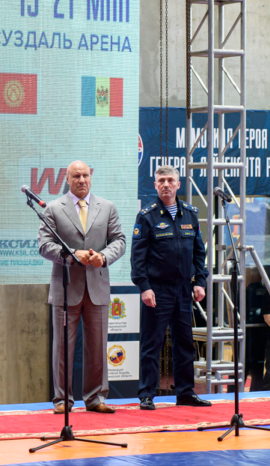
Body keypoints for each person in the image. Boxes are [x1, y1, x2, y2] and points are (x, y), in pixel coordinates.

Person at [38, 161, 126, 414]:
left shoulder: (107, 207)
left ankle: (95, 398)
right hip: (66, 288)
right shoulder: (53, 209)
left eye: (85, 175)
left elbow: (119, 240)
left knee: (98, 346)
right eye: (76, 176)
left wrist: (105, 256)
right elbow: (44, 245)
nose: (81, 180)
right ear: (67, 179)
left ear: (91, 176)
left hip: (97, 287)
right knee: (62, 347)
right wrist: (71, 255)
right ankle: (62, 401)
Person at [131, 165, 211, 409]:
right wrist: (144, 287)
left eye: (170, 180)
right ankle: (146, 394)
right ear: (155, 185)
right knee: (151, 343)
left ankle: (185, 392)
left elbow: (199, 251)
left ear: (178, 184)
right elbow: (137, 257)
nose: (166, 184)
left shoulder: (191, 214)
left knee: (185, 342)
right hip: (157, 289)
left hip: (183, 290)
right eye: (161, 181)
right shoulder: (147, 215)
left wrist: (200, 281)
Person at [245, 267, 270, 391]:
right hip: (255, 332)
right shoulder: (265, 291)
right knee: (257, 368)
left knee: (253, 368)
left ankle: (254, 391)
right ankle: (257, 392)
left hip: (253, 332)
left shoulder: (249, 290)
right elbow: (267, 317)